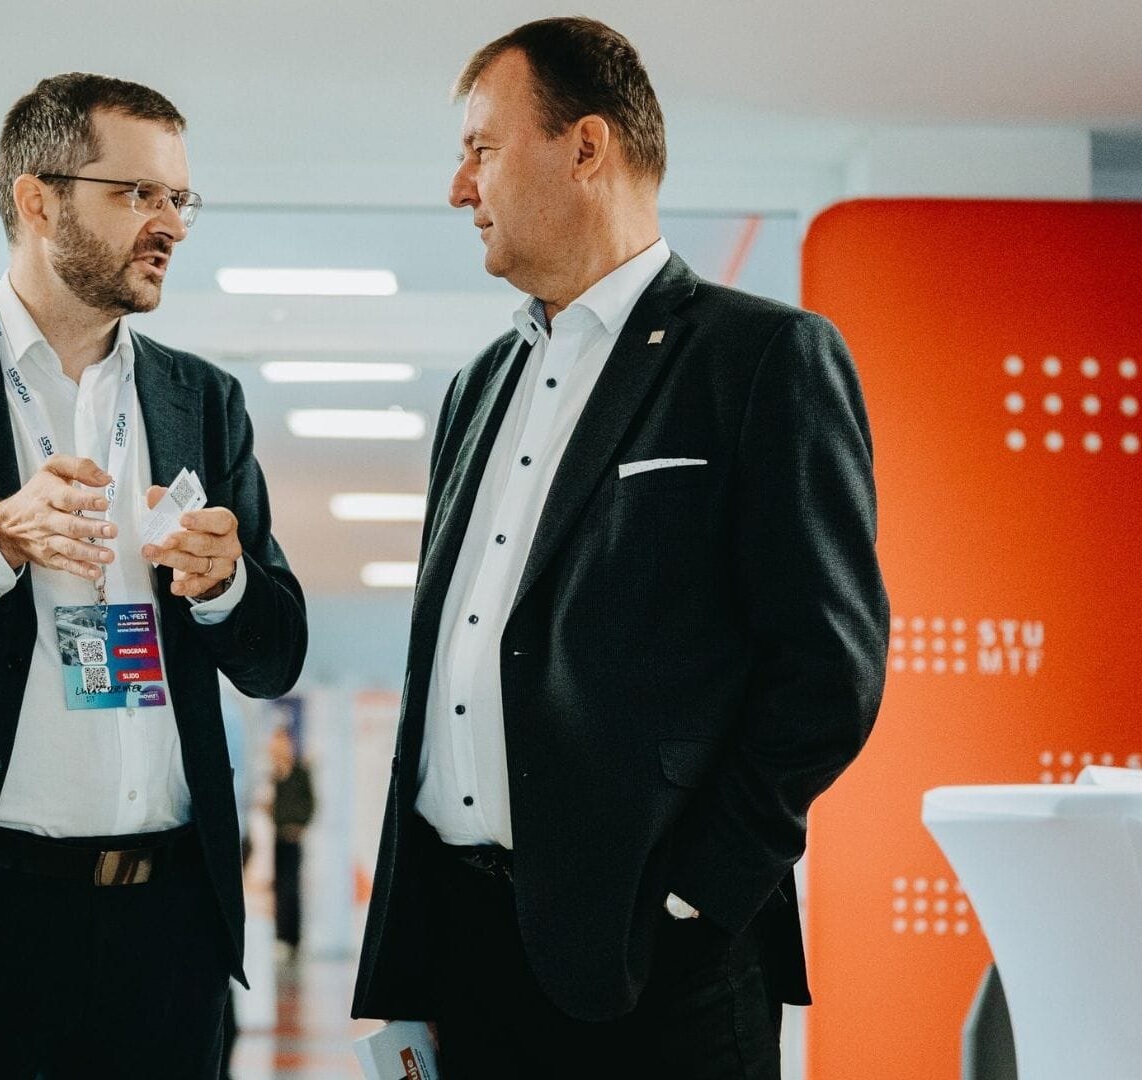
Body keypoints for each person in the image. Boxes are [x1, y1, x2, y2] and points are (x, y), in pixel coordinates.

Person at [351, 18, 890, 1078]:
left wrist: (697, 892)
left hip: (660, 968)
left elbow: (830, 670)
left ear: (586, 146)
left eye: (482, 149)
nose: (460, 188)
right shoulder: (476, 388)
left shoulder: (761, 357)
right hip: (468, 953)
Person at [0, 72, 308, 1078]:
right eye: (137, 193)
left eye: (179, 197)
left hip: (167, 930)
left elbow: (276, 657)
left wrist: (225, 584)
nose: (170, 223)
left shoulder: (202, 400)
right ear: (36, 201)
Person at [269, 726, 315, 959]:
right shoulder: (273, 775)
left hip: (293, 836)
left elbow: (310, 803)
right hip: (275, 837)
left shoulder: (300, 772)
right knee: (278, 887)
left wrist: (300, 824)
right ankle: (280, 936)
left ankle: (292, 938)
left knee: (290, 887)